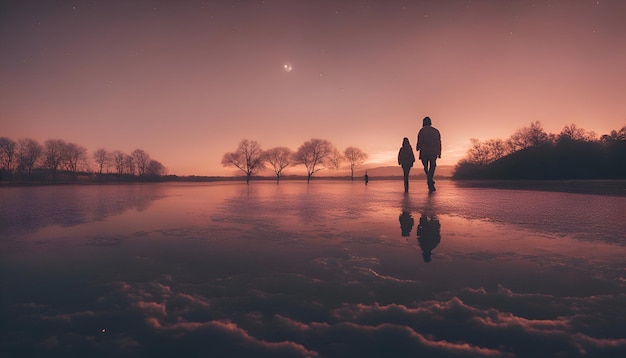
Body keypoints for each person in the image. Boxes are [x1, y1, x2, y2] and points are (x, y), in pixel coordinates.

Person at [416, 116, 442, 193]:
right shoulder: (436, 131)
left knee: (425, 167)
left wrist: (417, 147)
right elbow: (439, 142)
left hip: (424, 151)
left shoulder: (422, 131)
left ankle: (429, 180)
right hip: (433, 151)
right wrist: (439, 152)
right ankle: (430, 180)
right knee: (433, 166)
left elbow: (420, 140)